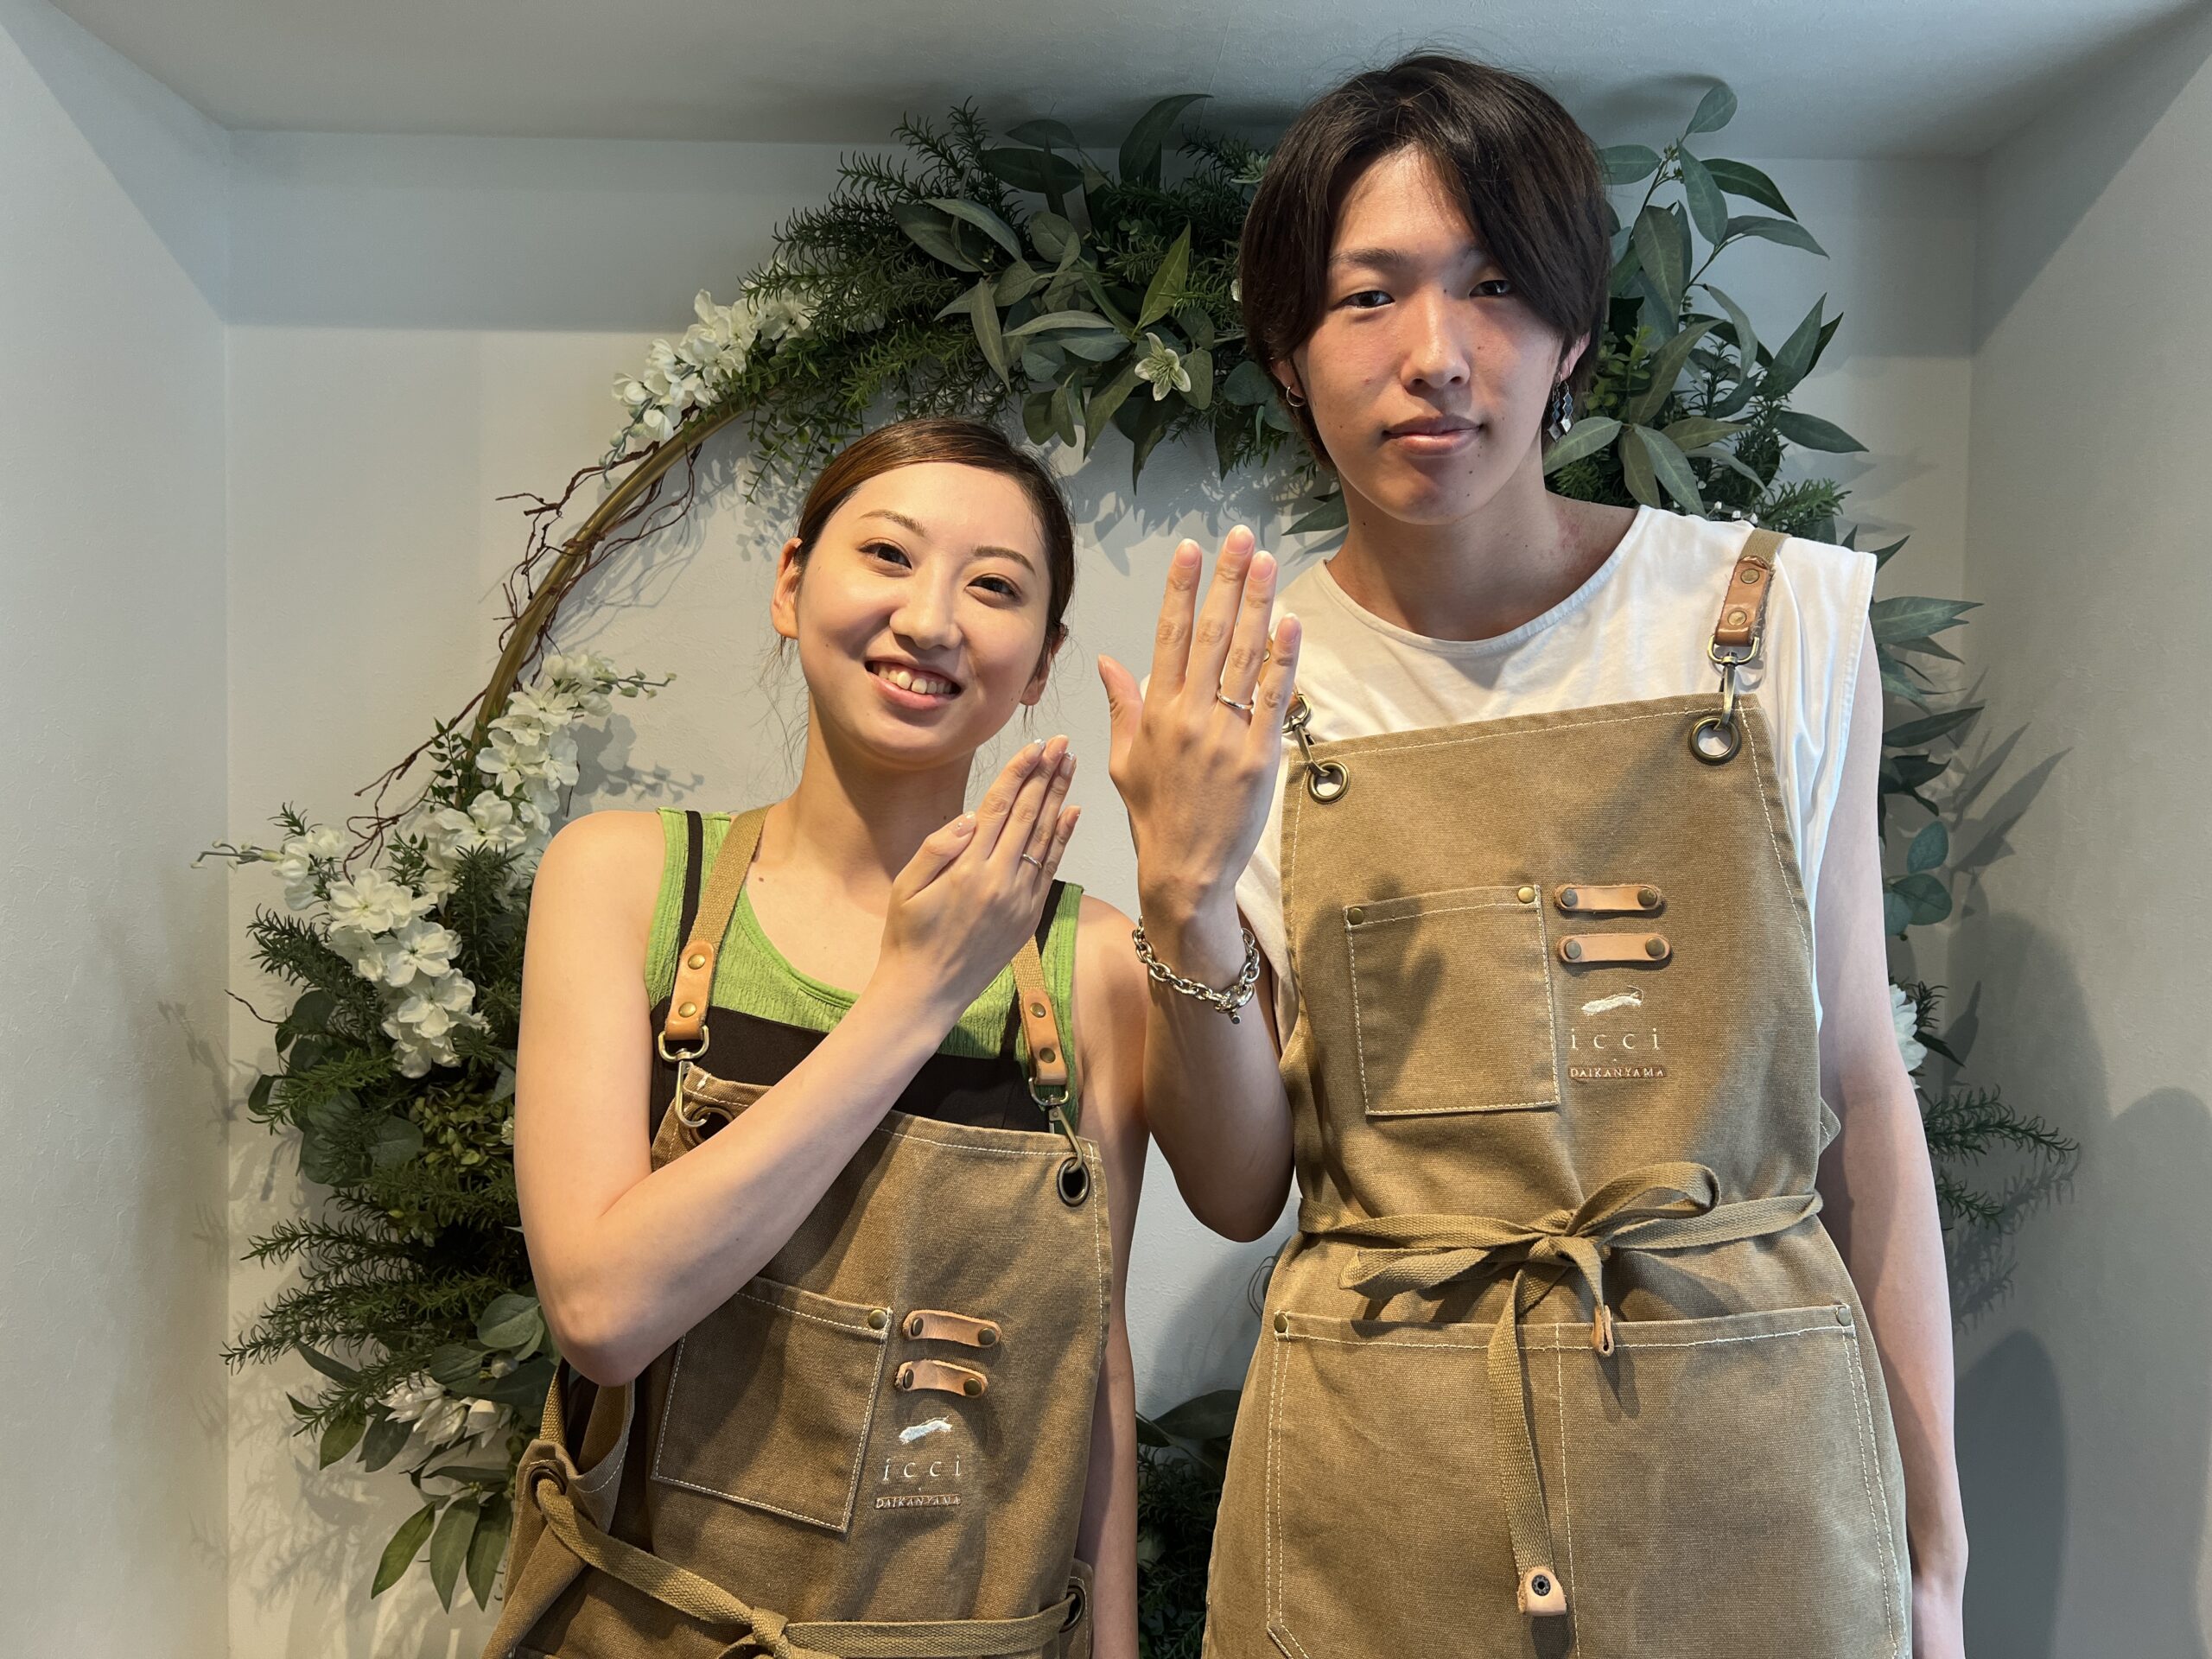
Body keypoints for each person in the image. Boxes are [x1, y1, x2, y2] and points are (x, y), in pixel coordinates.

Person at [1097, 54, 1967, 1658]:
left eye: (1494, 286)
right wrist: (1183, 901)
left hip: (1754, 1469)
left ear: (1571, 335)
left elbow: (1860, 1089)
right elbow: (1235, 1191)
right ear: (1288, 352)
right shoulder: (1248, 684)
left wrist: (1935, 1547)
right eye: (1368, 295)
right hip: (1380, 1482)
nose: (1435, 354)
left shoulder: (1778, 618)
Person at [487, 416, 1149, 1659]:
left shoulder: (1098, 964)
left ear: (1042, 662)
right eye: (888, 555)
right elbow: (603, 1311)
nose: (932, 619)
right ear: (792, 586)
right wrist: (916, 995)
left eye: (994, 587)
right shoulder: (625, 880)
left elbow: (1089, 1367)